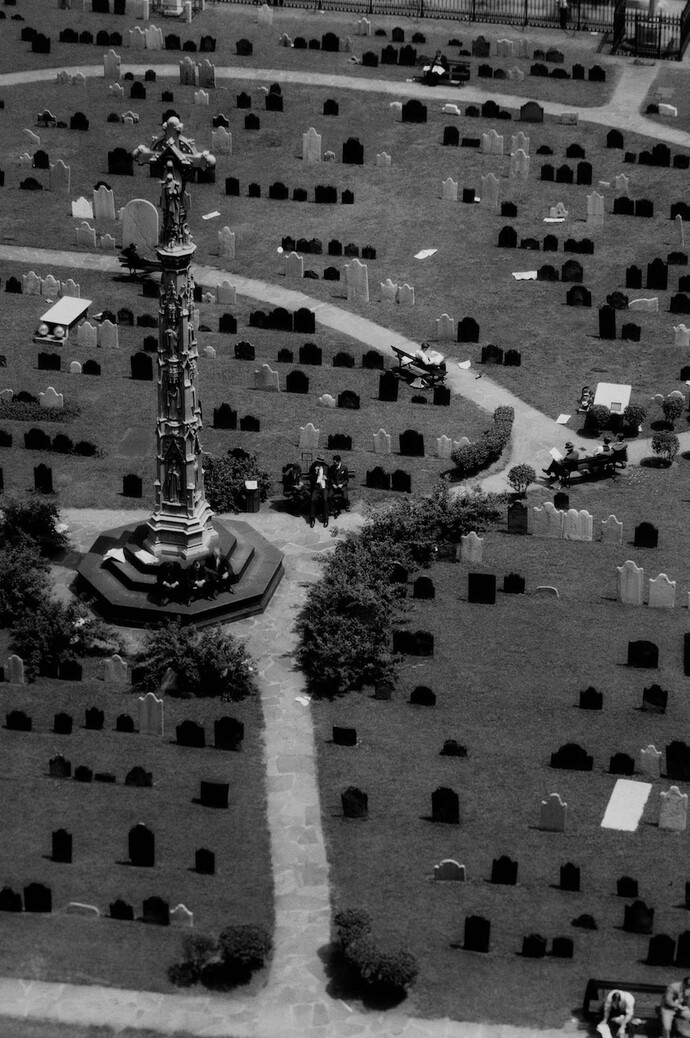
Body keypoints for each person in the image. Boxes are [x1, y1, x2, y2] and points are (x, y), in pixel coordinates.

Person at [308, 457, 329, 529]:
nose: (319, 464)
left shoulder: (326, 467)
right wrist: (315, 474)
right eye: (318, 462)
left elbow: (331, 478)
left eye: (320, 462)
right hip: (316, 487)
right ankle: (312, 518)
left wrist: (327, 479)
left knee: (325, 500)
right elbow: (310, 477)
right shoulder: (313, 466)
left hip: (324, 487)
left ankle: (326, 519)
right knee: (313, 500)